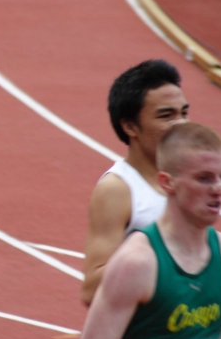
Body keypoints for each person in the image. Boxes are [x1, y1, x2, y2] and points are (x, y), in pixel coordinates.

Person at [71, 122, 221, 339]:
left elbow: (216, 334)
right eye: (204, 178)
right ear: (167, 182)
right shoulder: (137, 263)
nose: (218, 189)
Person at [81, 59, 189, 306]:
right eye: (166, 116)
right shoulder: (118, 189)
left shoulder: (189, 180)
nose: (182, 124)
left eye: (184, 113)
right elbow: (91, 290)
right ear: (130, 126)